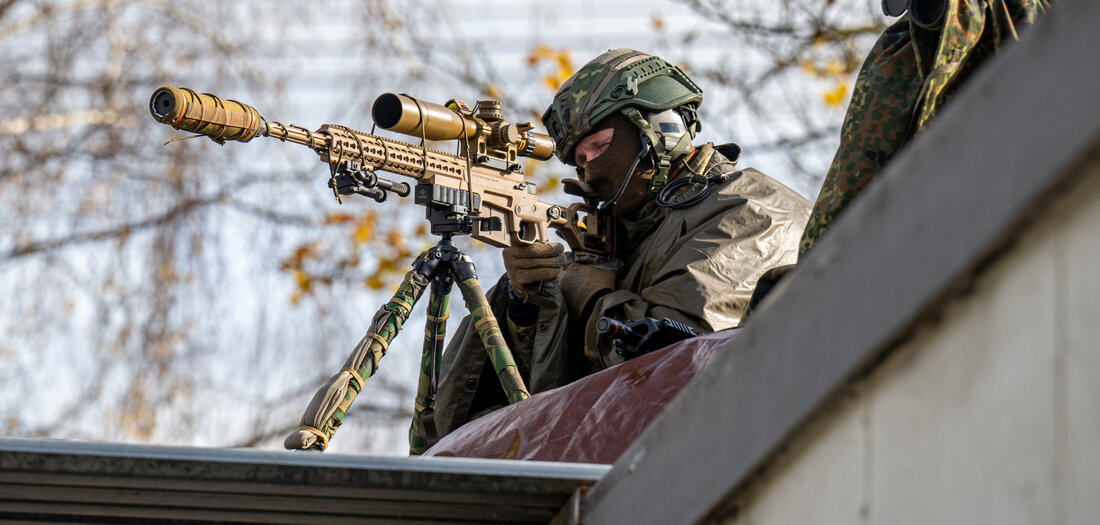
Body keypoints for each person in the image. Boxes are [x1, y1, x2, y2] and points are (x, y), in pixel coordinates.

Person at [423, 49, 811, 448]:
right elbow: (536, 407)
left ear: (662, 128)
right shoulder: (617, 239)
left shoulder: (750, 209)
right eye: (579, 160)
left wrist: (591, 296)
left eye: (600, 145)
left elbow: (679, 364)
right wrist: (528, 306)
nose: (590, 169)